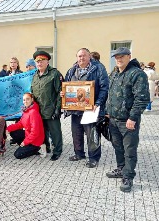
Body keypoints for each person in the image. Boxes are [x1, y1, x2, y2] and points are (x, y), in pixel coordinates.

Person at [106, 47, 150, 192]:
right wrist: (107, 111)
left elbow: (142, 99)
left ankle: (128, 177)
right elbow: (110, 94)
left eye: (122, 56)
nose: (119, 59)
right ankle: (121, 169)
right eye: (117, 57)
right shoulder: (114, 73)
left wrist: (133, 117)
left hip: (128, 121)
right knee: (118, 147)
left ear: (129, 56)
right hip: (113, 119)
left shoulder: (137, 74)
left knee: (129, 149)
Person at [62, 48, 109, 168]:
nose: (81, 58)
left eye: (84, 56)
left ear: (89, 57)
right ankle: (79, 154)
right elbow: (66, 86)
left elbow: (104, 88)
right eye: (79, 56)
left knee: (92, 134)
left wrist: (98, 103)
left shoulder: (98, 68)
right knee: (76, 133)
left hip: (90, 109)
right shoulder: (72, 70)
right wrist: (63, 94)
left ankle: (93, 158)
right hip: (75, 108)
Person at [31, 51, 63, 161]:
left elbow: (60, 92)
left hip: (51, 109)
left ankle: (57, 151)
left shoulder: (54, 74)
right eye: (37, 61)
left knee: (55, 132)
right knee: (42, 132)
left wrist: (58, 109)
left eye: (42, 61)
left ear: (47, 61)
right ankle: (46, 148)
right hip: (38, 111)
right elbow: (32, 92)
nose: (39, 63)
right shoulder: (35, 75)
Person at [6, 93, 46, 159]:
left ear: (32, 100)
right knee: (13, 132)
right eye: (24, 100)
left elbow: (35, 133)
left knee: (17, 155)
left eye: (27, 99)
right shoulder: (26, 110)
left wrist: (25, 142)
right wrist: (8, 129)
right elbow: (20, 124)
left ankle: (38, 148)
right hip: (29, 136)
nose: (25, 101)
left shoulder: (33, 112)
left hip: (35, 141)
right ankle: (26, 147)